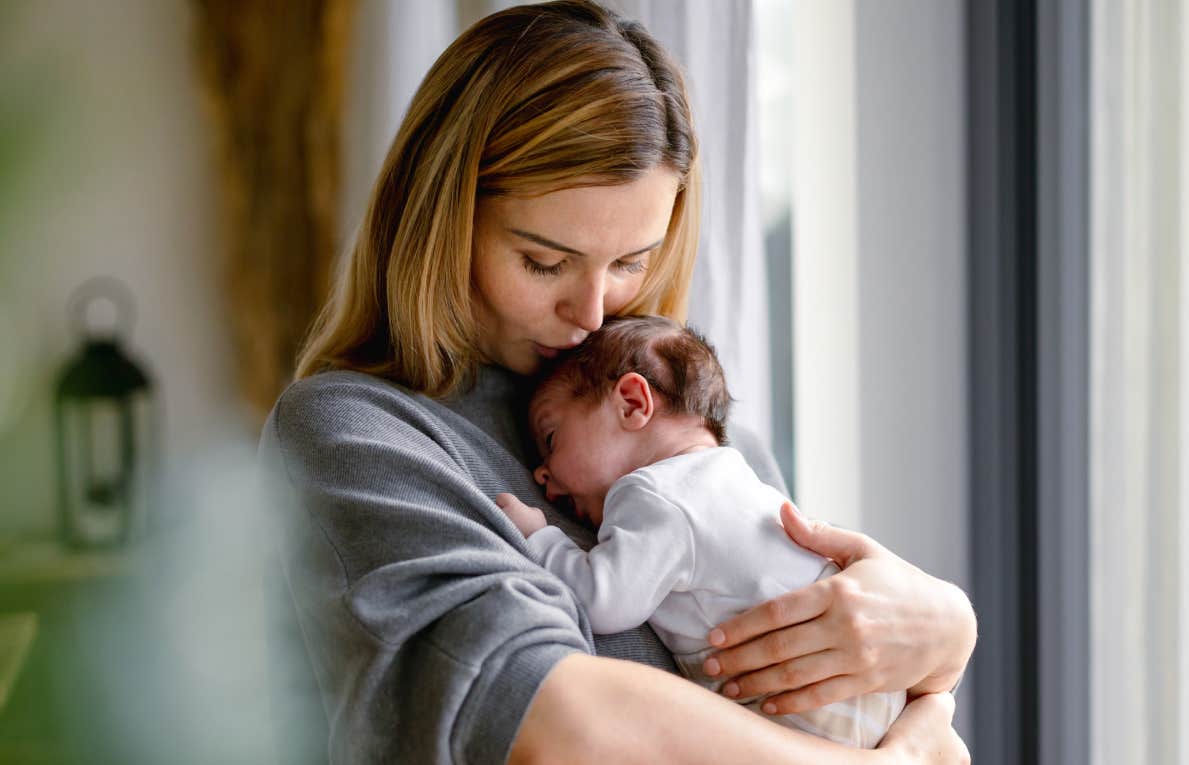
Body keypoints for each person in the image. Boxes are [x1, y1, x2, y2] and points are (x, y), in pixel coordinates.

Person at [258, 1, 976, 763]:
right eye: (544, 261)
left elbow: (858, 701)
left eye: (631, 261)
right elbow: (554, 718)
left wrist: (944, 632)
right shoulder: (356, 434)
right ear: (443, 216)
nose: (592, 311)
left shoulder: (709, 444)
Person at [495, 315, 908, 748]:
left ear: (633, 403)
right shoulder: (733, 475)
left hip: (809, 700)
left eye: (552, 437)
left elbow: (603, 601)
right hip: (862, 683)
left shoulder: (656, 494)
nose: (542, 473)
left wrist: (540, 537)